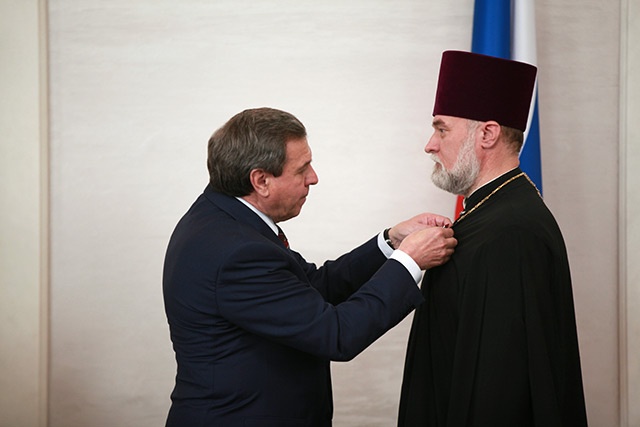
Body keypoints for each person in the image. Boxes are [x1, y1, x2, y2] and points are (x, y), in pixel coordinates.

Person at [162, 107, 457, 426]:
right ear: (261, 180)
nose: (313, 178)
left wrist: (390, 242)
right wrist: (409, 261)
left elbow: (312, 287)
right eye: (302, 169)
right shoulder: (238, 252)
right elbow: (338, 334)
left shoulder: (220, 217)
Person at [397, 51, 588, 426]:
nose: (430, 144)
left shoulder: (512, 232)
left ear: (487, 134)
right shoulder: (488, 213)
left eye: (442, 129)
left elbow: (500, 387)